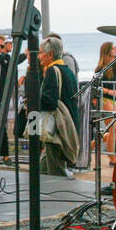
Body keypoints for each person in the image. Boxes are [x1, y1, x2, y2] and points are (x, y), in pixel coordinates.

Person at [37, 36, 79, 176]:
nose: (39, 56)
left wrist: (34, 99)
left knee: (56, 170)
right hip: (67, 124)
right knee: (44, 167)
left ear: (50, 54)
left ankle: (58, 195)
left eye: (41, 52)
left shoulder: (52, 71)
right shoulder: (67, 71)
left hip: (56, 127)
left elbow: (49, 101)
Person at [94, 41, 116, 154]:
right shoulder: (101, 68)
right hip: (106, 100)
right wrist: (109, 91)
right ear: (108, 51)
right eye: (113, 48)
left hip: (115, 101)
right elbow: (96, 86)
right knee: (113, 130)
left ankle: (90, 145)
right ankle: (112, 158)